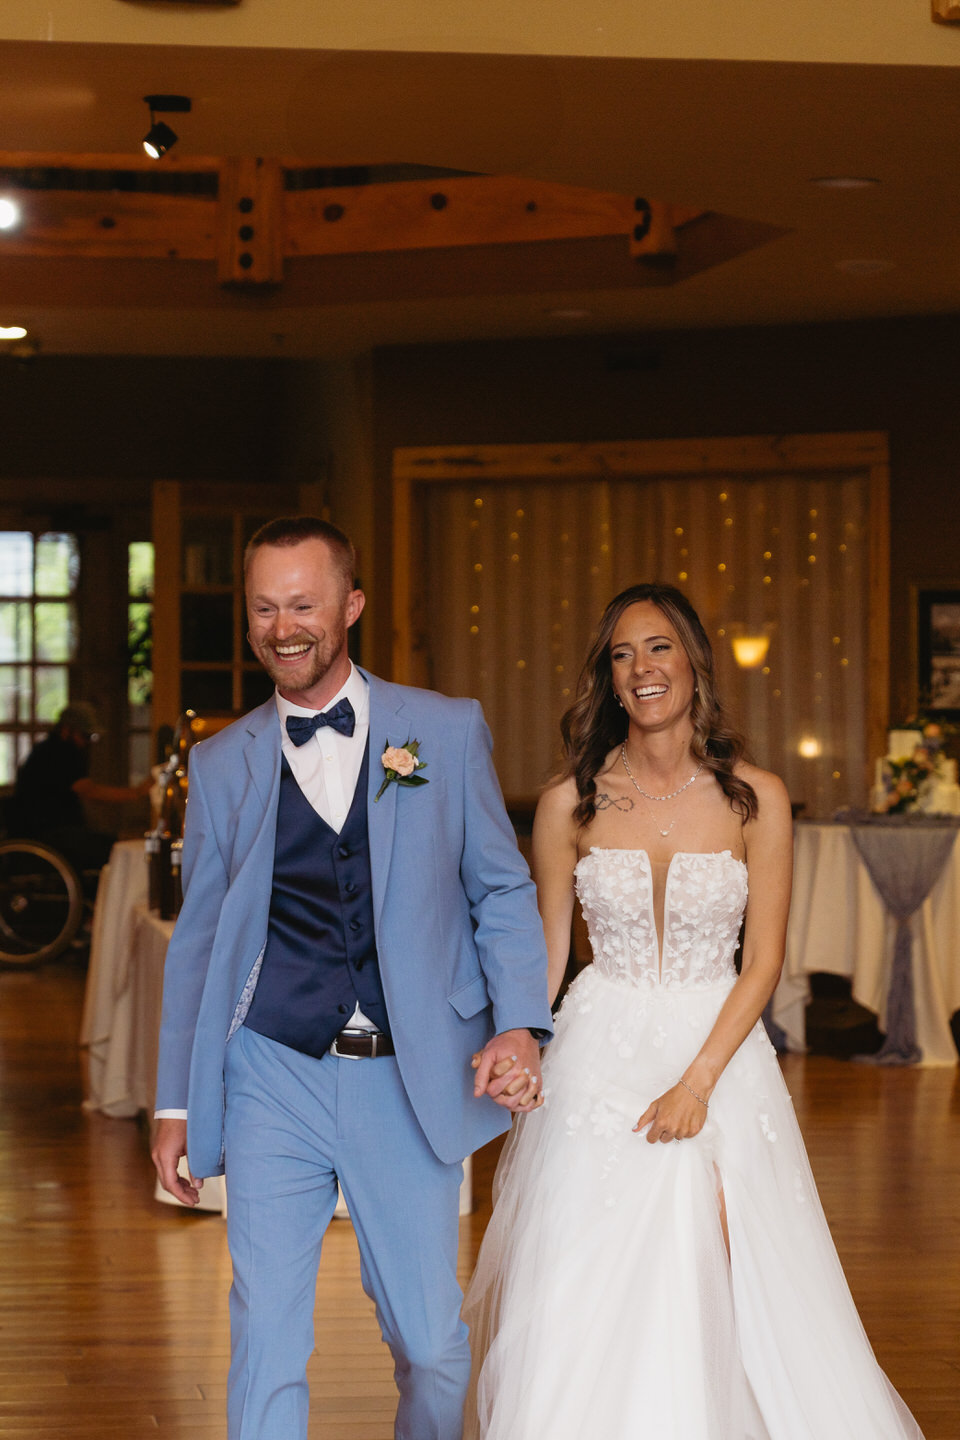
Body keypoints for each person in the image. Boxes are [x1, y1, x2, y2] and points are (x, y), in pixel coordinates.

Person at [463, 583, 925, 1440]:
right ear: (608, 677)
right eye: (622, 653)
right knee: (589, 1265)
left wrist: (697, 1083)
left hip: (721, 1045)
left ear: (693, 661)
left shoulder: (757, 797)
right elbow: (549, 953)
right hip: (601, 1048)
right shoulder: (572, 801)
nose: (642, 668)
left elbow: (765, 962)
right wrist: (519, 1036)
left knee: (722, 1256)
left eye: (660, 647)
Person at [151, 515, 552, 1440]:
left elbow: (499, 889)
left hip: (406, 1075)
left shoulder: (443, 732)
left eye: (303, 604)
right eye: (263, 607)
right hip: (269, 1072)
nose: (282, 627)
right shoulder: (219, 765)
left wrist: (520, 1022)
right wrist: (175, 1103)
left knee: (430, 1341)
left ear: (351, 607)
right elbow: (200, 942)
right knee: (265, 1332)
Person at [12, 702, 151, 873]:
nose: (87, 742)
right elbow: (88, 790)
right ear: (67, 730)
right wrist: (136, 793)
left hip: (49, 830)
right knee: (113, 850)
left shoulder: (48, 749)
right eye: (85, 736)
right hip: (46, 833)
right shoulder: (60, 752)